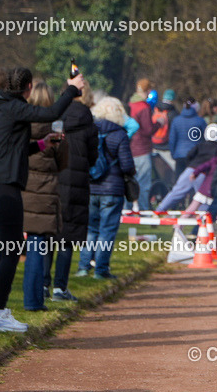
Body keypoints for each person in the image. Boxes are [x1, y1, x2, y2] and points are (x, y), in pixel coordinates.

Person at [0, 67, 85, 331]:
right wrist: (72, 88)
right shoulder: (15, 107)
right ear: (28, 87)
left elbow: (13, 149)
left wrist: (41, 144)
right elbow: (51, 112)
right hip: (5, 188)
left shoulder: (4, 107)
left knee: (7, 248)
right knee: (12, 248)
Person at [45, 81, 98, 301]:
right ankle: (60, 288)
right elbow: (93, 157)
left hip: (54, 179)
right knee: (67, 237)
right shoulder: (88, 121)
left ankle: (43, 285)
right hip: (76, 182)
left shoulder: (54, 117)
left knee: (48, 234)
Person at [22, 82, 68, 311]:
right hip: (46, 190)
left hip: (24, 189)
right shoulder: (55, 131)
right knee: (39, 246)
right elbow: (63, 162)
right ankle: (35, 298)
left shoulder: (21, 126)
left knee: (26, 245)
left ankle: (29, 297)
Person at [77, 97, 134, 280]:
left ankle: (83, 267)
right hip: (112, 189)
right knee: (107, 231)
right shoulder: (120, 134)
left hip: (91, 187)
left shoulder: (89, 131)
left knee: (90, 229)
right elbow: (127, 166)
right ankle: (101, 269)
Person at [127, 78, 154, 211]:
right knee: (143, 183)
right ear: (147, 90)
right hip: (142, 149)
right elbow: (148, 130)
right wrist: (159, 123)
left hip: (129, 149)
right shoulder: (144, 107)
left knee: (129, 181)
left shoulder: (130, 104)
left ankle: (125, 210)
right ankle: (143, 210)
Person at [169, 97, 207, 177]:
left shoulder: (176, 120)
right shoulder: (200, 121)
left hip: (179, 155)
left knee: (179, 180)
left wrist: (173, 154)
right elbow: (205, 139)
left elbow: (172, 139)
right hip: (195, 155)